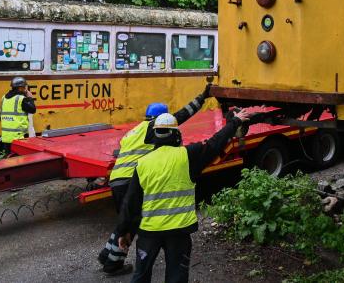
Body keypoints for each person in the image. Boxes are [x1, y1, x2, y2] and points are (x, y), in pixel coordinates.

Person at [115, 107, 258, 283]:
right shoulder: (188, 155)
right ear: (176, 134)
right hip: (179, 233)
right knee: (177, 277)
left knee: (141, 276)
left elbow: (131, 203)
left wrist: (125, 231)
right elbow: (215, 143)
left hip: (149, 233)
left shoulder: (142, 163)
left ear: (153, 135)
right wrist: (234, 122)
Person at [98, 85, 212, 276]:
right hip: (130, 179)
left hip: (117, 179)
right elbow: (184, 114)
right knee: (133, 224)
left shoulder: (135, 131)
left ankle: (106, 254)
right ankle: (112, 264)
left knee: (124, 221)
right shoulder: (153, 128)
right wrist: (202, 98)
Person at [0, 77, 36, 156]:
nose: (26, 89)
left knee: (8, 159)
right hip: (19, 137)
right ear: (20, 88)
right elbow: (32, 109)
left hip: (6, 137)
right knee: (19, 160)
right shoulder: (21, 99)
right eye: (25, 87)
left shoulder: (3, 98)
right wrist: (30, 98)